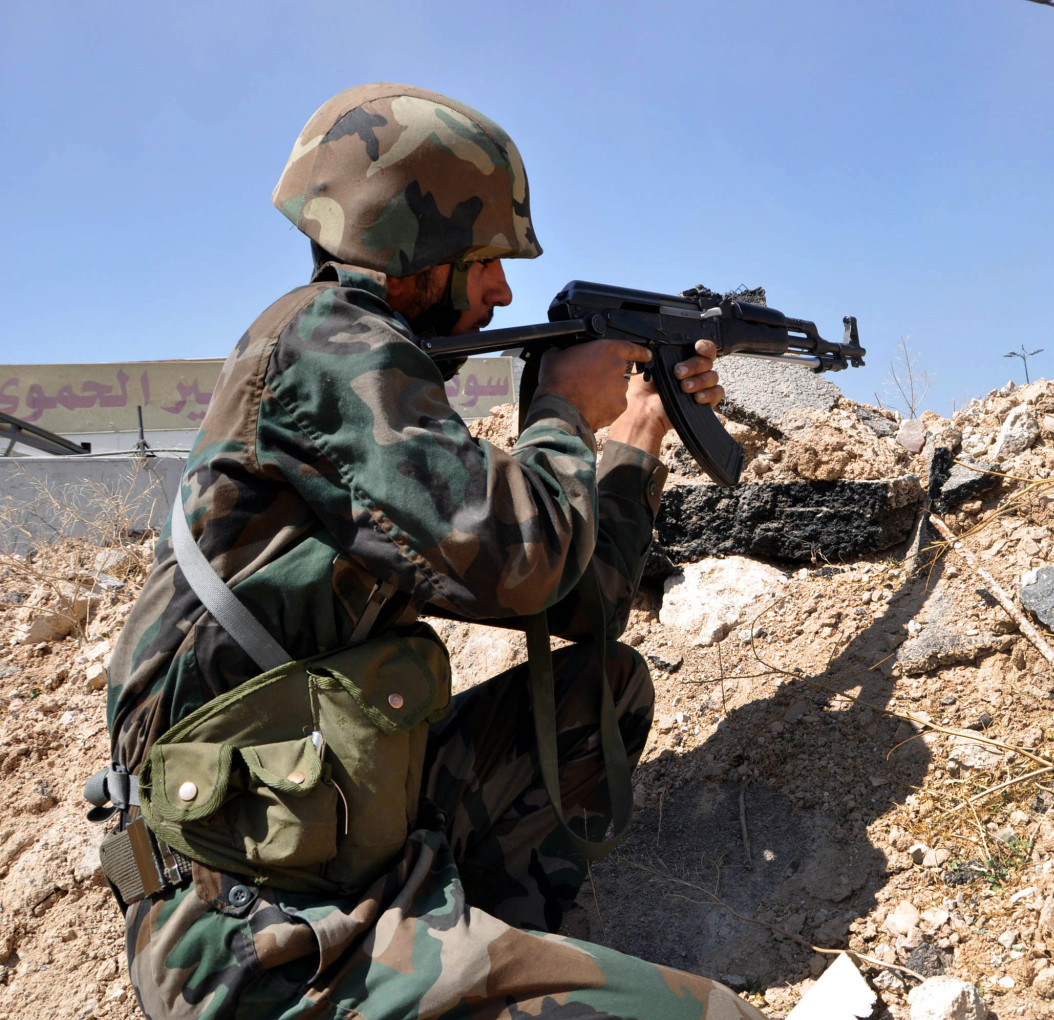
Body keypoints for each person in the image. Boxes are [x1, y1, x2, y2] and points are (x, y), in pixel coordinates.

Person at [103, 83, 766, 1020]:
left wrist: (634, 439)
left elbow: (581, 605)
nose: (503, 291)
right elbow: (523, 565)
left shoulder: (378, 372)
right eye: (485, 260)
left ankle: (476, 950)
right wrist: (558, 413)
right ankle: (440, 973)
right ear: (411, 248)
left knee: (600, 693)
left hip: (331, 825)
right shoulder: (326, 344)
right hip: (244, 916)